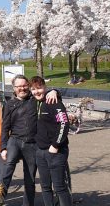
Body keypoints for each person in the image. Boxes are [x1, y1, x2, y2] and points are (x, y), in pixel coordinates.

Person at [0, 75, 58, 206]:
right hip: (15, 140)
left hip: (32, 144)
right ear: (14, 88)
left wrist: (55, 91)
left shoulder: (35, 100)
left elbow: (45, 93)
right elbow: (5, 127)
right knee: (7, 170)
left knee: (30, 178)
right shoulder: (9, 104)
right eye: (18, 86)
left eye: (24, 85)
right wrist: (3, 147)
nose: (22, 88)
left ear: (28, 86)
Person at [30, 76, 72, 206]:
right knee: (45, 186)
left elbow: (64, 123)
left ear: (45, 88)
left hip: (56, 151)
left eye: (39, 88)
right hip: (40, 151)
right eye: (33, 89)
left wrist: (56, 145)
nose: (36, 92)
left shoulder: (53, 102)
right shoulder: (34, 102)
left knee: (59, 187)